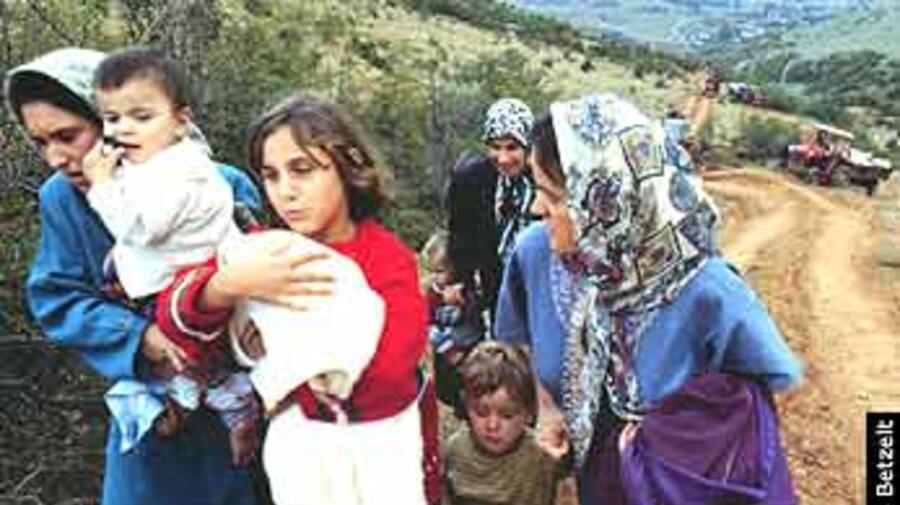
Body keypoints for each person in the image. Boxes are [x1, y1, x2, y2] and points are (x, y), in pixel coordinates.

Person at [495, 93, 803, 505]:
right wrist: (552, 408)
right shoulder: (580, 267)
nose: (537, 208)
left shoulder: (707, 290)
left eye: (552, 196)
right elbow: (527, 345)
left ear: (604, 201)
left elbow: (761, 391)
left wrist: (667, 445)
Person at [6, 47, 264, 505]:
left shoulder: (215, 184)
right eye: (41, 143)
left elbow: (264, 277)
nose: (57, 157)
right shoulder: (62, 199)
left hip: (240, 403)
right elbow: (59, 297)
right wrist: (139, 337)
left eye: (68, 136)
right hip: (152, 411)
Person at [155, 94, 439, 504]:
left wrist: (283, 373)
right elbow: (175, 320)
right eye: (271, 176)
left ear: (348, 165)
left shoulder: (387, 258)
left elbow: (389, 369)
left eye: (302, 170)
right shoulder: (266, 252)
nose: (285, 191)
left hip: (380, 451)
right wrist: (226, 286)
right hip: (301, 455)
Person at [82, 45, 260, 464]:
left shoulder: (181, 172)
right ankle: (182, 394)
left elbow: (142, 228)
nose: (125, 128)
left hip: (191, 290)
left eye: (142, 116)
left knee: (196, 357)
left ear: (181, 120)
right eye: (112, 118)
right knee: (177, 356)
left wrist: (100, 184)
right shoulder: (152, 160)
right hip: (164, 277)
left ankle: (237, 408)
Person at [446, 97, 537, 320]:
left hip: (536, 282)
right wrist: (460, 278)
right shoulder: (471, 180)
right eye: (496, 147)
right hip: (492, 283)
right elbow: (460, 233)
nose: (503, 158)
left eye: (512, 148)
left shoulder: (543, 178)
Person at [443, 341, 566, 505]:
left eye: (507, 415)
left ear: (529, 413)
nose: (492, 426)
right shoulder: (455, 451)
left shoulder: (542, 455)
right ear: (466, 404)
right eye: (481, 413)